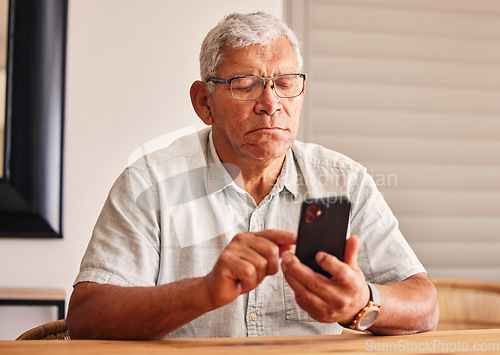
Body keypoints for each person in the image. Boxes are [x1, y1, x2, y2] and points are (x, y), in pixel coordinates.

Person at [66, 12, 438, 340]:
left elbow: (424, 305)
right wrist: (204, 292)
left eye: (286, 83)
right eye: (245, 85)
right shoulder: (149, 181)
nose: (271, 103)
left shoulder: (345, 180)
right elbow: (87, 315)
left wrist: (362, 303)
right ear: (204, 102)